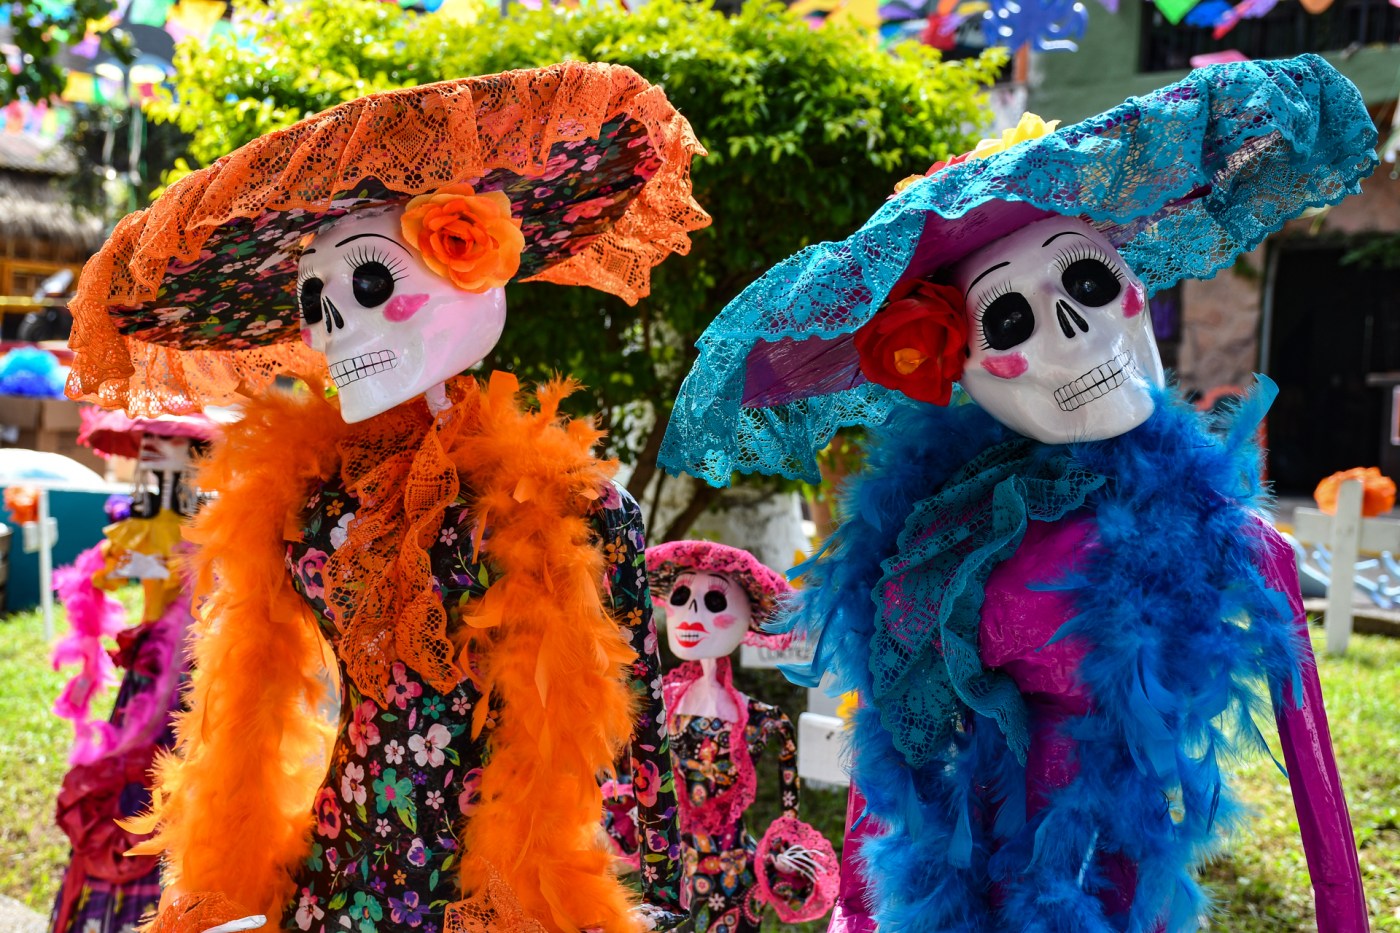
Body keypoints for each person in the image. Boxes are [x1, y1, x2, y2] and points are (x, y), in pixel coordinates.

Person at [657, 55, 1373, 932]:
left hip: (1119, 893)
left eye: (1087, 281)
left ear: (1135, 294)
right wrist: (859, 907)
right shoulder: (948, 532)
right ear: (959, 366)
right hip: (969, 883)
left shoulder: (1233, 540)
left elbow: (1326, 827)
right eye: (1009, 318)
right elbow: (898, 754)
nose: (1072, 329)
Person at [65, 61, 710, 933]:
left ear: (471, 257)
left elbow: (629, 749)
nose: (341, 330)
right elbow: (244, 701)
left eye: (371, 282)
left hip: (508, 894)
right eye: (316, 303)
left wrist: (659, 904)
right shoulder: (313, 504)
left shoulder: (574, 508)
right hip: (335, 887)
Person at [645, 541, 837, 933]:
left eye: (714, 600)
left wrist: (783, 860)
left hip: (734, 880)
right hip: (666, 880)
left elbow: (789, 825)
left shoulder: (765, 722)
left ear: (750, 617)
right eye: (681, 596)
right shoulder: (656, 707)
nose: (692, 612)